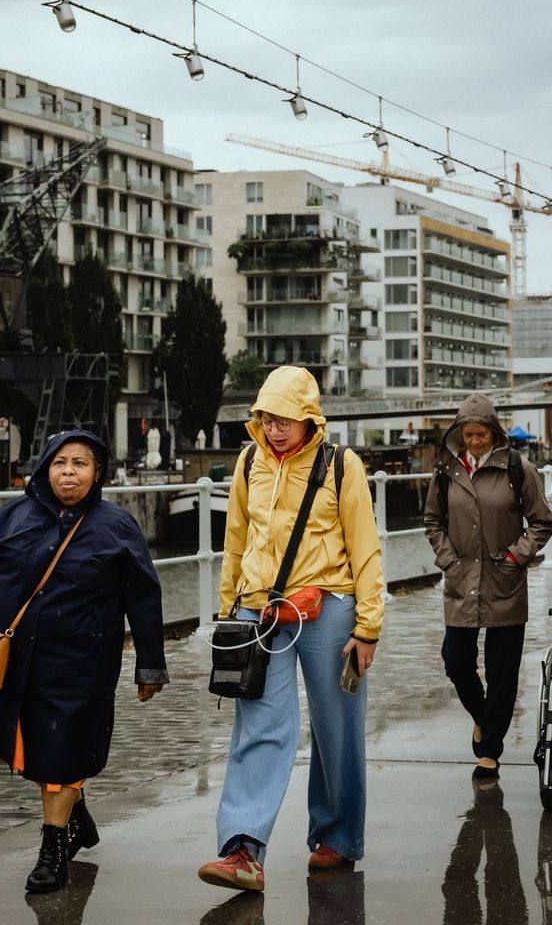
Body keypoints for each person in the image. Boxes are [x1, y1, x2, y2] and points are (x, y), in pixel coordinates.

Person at [0, 429, 167, 895]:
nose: (69, 472)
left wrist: (150, 665)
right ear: (45, 467)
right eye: (60, 462)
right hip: (16, 663)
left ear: (97, 472)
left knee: (60, 757)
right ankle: (75, 815)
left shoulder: (117, 527)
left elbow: (143, 598)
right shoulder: (8, 520)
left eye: (80, 463)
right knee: (33, 755)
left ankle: (52, 849)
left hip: (83, 664)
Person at [197, 367, 385, 896]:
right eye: (266, 418)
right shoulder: (249, 461)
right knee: (258, 727)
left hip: (329, 610)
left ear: (309, 418)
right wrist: (228, 611)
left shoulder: (340, 465)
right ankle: (242, 848)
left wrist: (368, 627)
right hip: (261, 612)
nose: (275, 429)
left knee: (337, 728)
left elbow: (366, 548)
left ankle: (338, 837)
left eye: (285, 419)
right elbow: (236, 538)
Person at [423, 392, 552, 779]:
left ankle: (490, 751)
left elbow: (543, 522)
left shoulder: (518, 467)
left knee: (503, 670)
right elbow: (433, 520)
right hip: (462, 579)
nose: (476, 442)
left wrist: (517, 556)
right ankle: (482, 717)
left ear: (494, 432)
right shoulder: (446, 469)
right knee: (456, 660)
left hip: (505, 580)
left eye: (482, 434)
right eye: (469, 435)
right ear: (459, 434)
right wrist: (449, 560)